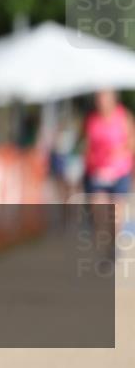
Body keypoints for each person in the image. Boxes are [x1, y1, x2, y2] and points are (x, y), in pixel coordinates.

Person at [80, 89, 135, 254]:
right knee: (100, 209)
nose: (101, 101)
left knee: (116, 214)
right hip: (97, 172)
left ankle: (114, 244)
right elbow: (86, 145)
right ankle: (104, 245)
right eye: (98, 98)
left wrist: (119, 153)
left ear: (112, 99)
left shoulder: (124, 116)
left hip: (120, 171)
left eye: (104, 97)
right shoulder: (91, 119)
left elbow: (132, 143)